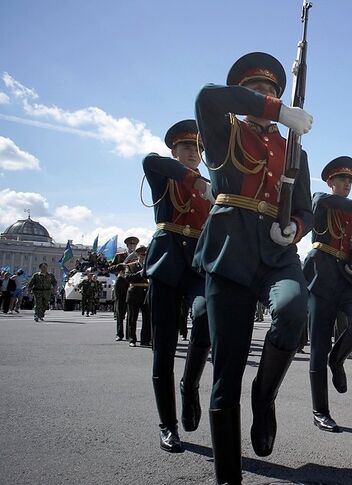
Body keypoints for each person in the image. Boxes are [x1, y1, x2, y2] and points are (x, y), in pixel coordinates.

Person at [193, 51, 313, 483]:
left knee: (294, 309)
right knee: (227, 368)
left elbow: (307, 210)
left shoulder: (292, 147)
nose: (264, 96)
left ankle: (265, 396)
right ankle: (229, 477)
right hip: (230, 248)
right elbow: (207, 96)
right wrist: (277, 110)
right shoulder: (224, 129)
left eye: (272, 92)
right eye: (255, 91)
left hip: (277, 253)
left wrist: (296, 226)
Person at [142, 119, 213, 453]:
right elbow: (149, 161)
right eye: (186, 147)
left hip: (198, 264)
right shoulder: (165, 174)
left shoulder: (211, 188)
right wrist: (194, 181)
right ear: (174, 150)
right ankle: (167, 425)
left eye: (197, 148)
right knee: (164, 349)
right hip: (167, 260)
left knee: (206, 315)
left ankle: (190, 385)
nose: (193, 153)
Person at [303, 156, 352, 432]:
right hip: (321, 274)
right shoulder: (323, 198)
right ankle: (320, 411)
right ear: (331, 182)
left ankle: (338, 357)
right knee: (318, 345)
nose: (346, 184)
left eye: (350, 181)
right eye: (341, 179)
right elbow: (320, 202)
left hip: (345, 278)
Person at [111, 236, 139, 341]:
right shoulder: (120, 255)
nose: (132, 246)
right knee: (120, 308)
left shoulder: (138, 256)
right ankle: (119, 333)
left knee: (131, 309)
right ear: (127, 246)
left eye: (134, 245)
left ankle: (129, 334)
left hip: (132, 283)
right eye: (130, 245)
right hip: (121, 282)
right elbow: (110, 268)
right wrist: (120, 266)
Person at [123, 246, 150, 347]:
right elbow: (128, 278)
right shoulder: (130, 266)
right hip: (134, 293)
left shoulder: (150, 266)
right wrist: (140, 273)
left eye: (145, 255)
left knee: (147, 318)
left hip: (146, 294)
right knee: (132, 318)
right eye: (142, 255)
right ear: (138, 255)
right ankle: (132, 339)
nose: (144, 257)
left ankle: (145, 340)